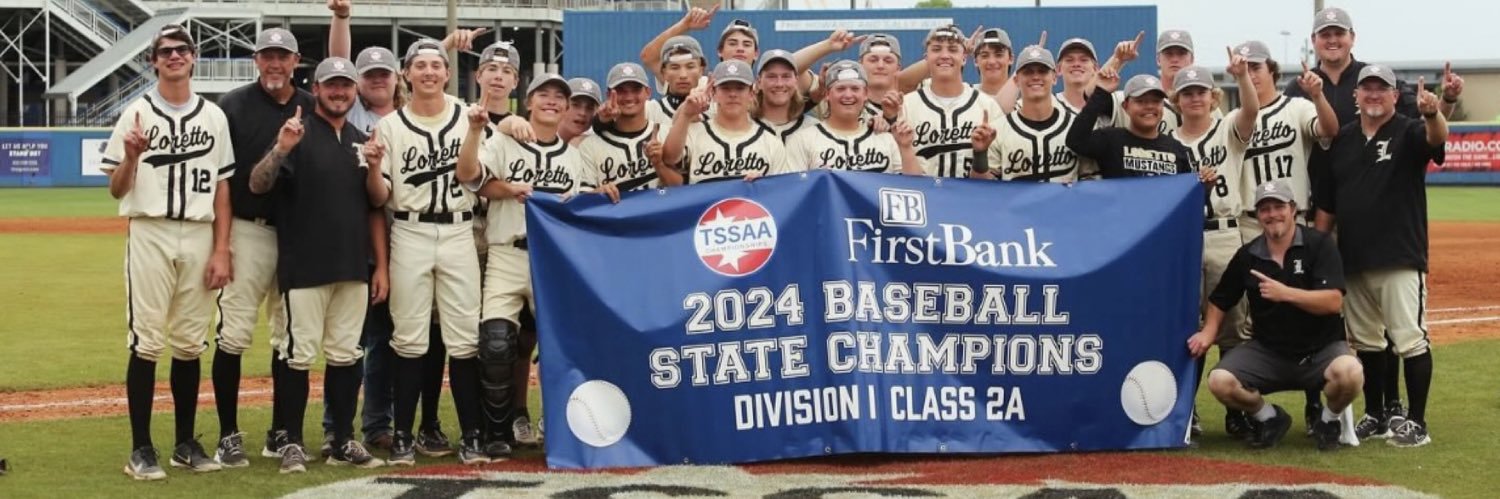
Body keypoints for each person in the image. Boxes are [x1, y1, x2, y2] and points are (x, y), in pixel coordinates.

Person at [105, 24, 235, 480]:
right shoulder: (135, 113)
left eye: (182, 49)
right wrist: (131, 157)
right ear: (154, 61)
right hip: (150, 229)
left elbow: (222, 187)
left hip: (199, 233)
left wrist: (223, 248)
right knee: (147, 340)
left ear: (194, 57)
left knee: (189, 342)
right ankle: (141, 448)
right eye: (166, 51)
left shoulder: (213, 116)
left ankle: (184, 442)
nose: (175, 56)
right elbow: (115, 188)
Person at [246, 57, 386, 472]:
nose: (339, 92)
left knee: (346, 354)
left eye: (345, 85)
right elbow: (257, 184)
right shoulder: (297, 134)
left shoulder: (364, 139)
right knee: (298, 355)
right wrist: (281, 148)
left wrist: (376, 165)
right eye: (331, 85)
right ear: (317, 88)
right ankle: (289, 441)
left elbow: (377, 202)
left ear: (354, 89)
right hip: (304, 265)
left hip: (352, 265)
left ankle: (341, 440)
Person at [458, 73, 598, 458]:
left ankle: (561, 425)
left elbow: (583, 207)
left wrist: (602, 195)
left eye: (560, 97)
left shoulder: (574, 156)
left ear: (567, 108)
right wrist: (477, 136)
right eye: (544, 95)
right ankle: (498, 432)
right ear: (529, 102)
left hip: (552, 257)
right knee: (497, 343)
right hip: (507, 251)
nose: (552, 101)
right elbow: (469, 176)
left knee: (561, 346)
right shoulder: (503, 140)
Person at [365, 38, 488, 466]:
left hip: (457, 229)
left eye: (437, 65)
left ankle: (472, 434)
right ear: (407, 73)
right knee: (409, 338)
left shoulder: (467, 116)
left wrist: (475, 132)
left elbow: (472, 177)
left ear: (448, 73)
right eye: (421, 66)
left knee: (464, 338)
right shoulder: (391, 126)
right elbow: (379, 196)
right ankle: (403, 435)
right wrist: (375, 166)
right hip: (409, 230)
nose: (430, 72)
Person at [1314, 64, 1447, 448]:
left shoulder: (1408, 130)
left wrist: (1433, 112)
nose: (1373, 95)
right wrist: (1322, 249)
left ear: (1394, 95)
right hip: (1354, 260)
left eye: (1381, 89)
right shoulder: (1344, 140)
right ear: (1356, 96)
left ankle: (1416, 422)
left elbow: (1436, 142)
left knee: (1410, 340)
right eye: (1366, 89)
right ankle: (1375, 413)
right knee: (1369, 343)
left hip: (1399, 256)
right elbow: (1327, 202)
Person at [1192, 179, 1363, 451]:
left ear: (1293, 209)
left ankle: (1328, 420)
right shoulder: (1248, 255)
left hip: (1321, 352)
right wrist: (1209, 331)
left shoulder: (1318, 245)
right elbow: (1220, 299)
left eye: (1278, 206)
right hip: (1270, 352)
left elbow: (1333, 302)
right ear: (1258, 216)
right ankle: (1269, 417)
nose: (1272, 214)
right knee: (1220, 381)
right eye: (1265, 209)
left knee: (1351, 373)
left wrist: (1286, 293)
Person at [211, 27, 313, 464]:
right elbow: (221, 179)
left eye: (282, 56)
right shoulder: (233, 104)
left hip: (296, 233)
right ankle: (228, 433)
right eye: (267, 56)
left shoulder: (310, 105)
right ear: (256, 60)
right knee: (233, 333)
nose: (275, 64)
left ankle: (281, 431)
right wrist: (222, 243)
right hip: (247, 228)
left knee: (288, 335)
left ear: (296, 62)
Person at [1169, 55, 1261, 439]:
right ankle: (1185, 412)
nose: (1194, 99)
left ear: (1213, 98)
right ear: (1176, 101)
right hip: (1184, 237)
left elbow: (1251, 111)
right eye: (1186, 93)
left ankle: (1235, 411)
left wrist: (1241, 77)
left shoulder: (1227, 130)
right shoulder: (1166, 141)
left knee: (1233, 328)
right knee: (1187, 326)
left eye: (1201, 92)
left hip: (1225, 233)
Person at [777, 60, 920, 175]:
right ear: (827, 94)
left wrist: (906, 148)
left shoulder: (885, 138)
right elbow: (792, 191)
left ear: (865, 94)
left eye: (855, 89)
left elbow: (914, 190)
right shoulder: (803, 140)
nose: (848, 95)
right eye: (840, 89)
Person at [899, 24, 1003, 178]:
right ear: (926, 58)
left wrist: (980, 155)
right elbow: (899, 179)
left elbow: (992, 181)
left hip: (972, 198)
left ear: (964, 58)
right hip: (925, 198)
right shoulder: (906, 105)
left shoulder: (987, 106)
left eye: (953, 50)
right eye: (936, 49)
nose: (944, 55)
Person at [663, 60, 787, 185]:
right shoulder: (694, 132)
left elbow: (781, 194)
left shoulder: (772, 143)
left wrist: (764, 185)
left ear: (751, 93)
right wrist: (685, 114)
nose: (732, 94)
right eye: (725, 88)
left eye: (740, 88)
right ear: (714, 93)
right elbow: (669, 158)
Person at [970, 46, 1082, 183]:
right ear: (1016, 80)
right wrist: (980, 155)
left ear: (1054, 77)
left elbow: (1092, 182)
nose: (1035, 77)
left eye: (1042, 71)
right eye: (1028, 72)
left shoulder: (1077, 126)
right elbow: (982, 190)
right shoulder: (997, 131)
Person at [1063, 70, 1192, 178]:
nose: (1149, 106)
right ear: (1125, 106)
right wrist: (1101, 92)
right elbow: (1075, 140)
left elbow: (1186, 197)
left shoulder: (1176, 149)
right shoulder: (1110, 140)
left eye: (1156, 101)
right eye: (1141, 101)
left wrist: (1205, 186)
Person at [578, 62, 669, 193]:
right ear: (609, 95)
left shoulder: (666, 134)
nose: (629, 96)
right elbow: (581, 201)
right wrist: (598, 193)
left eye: (636, 89)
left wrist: (659, 164)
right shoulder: (589, 146)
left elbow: (683, 189)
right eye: (621, 90)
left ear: (648, 92)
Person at [753, 50, 816, 140]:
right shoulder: (742, 127)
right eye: (771, 76)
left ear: (796, 81)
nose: (779, 84)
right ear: (759, 82)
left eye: (786, 76)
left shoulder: (814, 129)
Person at [646, 36, 709, 125]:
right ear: (664, 73)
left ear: (701, 70)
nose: (683, 75)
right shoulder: (649, 112)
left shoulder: (716, 111)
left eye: (690, 67)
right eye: (675, 67)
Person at [563, 78, 603, 145]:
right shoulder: (542, 136)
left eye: (590, 108)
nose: (582, 113)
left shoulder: (598, 145)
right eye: (575, 105)